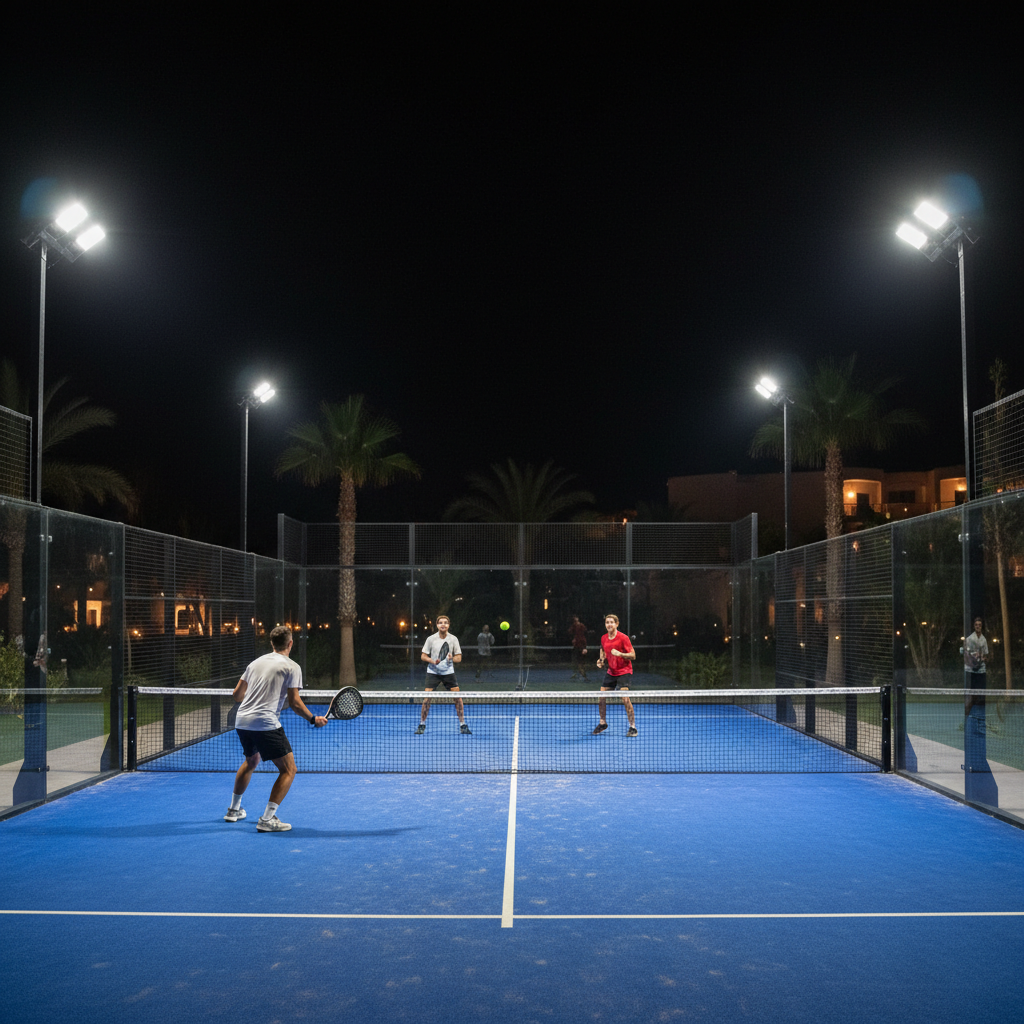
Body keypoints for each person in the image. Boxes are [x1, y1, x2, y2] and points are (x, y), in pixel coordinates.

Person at [224, 625, 326, 832]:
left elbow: (237, 695)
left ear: (271, 643)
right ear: (290, 644)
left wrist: (255, 699)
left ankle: (234, 810)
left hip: (242, 720)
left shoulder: (255, 663)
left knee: (251, 760)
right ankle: (267, 819)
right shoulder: (292, 667)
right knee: (289, 770)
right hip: (265, 723)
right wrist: (313, 718)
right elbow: (295, 703)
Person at [417, 615, 471, 734]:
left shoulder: (453, 639)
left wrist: (452, 658)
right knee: (426, 699)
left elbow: (459, 658)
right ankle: (422, 724)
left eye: (445, 622)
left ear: (448, 625)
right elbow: (423, 655)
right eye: (440, 622)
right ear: (437, 625)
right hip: (433, 672)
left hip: (448, 672)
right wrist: (432, 661)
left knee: (458, 698)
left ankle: (463, 724)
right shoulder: (431, 639)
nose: (443, 624)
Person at [592, 613, 637, 736]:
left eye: (612, 622)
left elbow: (633, 655)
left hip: (624, 671)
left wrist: (620, 654)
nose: (609, 624)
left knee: (625, 698)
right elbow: (602, 650)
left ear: (616, 624)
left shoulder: (623, 638)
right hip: (611, 671)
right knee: (601, 696)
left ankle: (632, 727)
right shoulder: (604, 638)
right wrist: (601, 660)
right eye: (607, 622)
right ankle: (602, 723)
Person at [569, 615, 589, 680]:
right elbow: (569, 632)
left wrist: (584, 648)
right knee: (576, 661)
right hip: (576, 647)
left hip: (581, 647)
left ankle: (583, 675)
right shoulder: (574, 628)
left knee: (581, 662)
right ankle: (577, 674)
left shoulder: (581, 628)